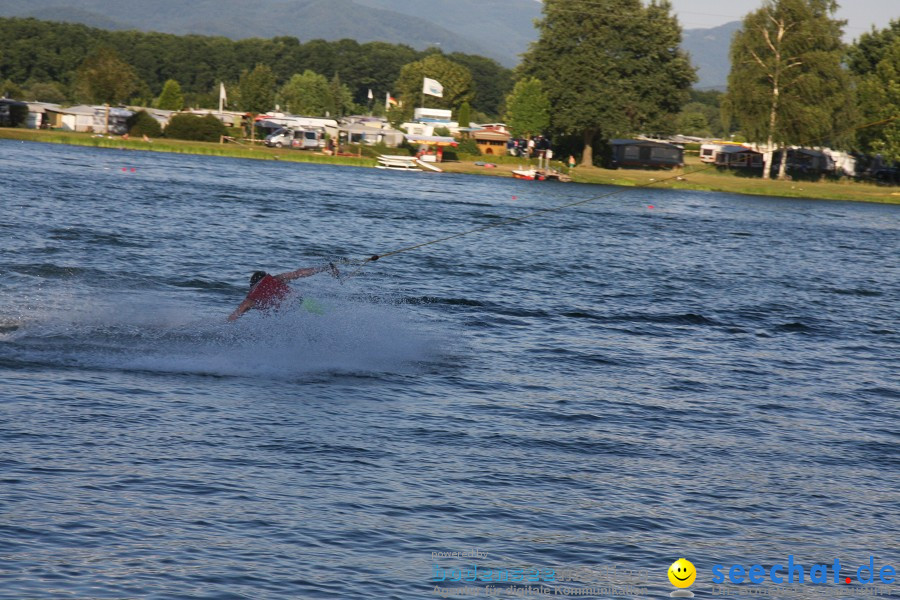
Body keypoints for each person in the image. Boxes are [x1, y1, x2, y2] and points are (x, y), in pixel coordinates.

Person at [227, 263, 339, 321]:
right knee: (334, 317)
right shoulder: (274, 279)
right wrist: (325, 268)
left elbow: (233, 318)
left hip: (293, 317)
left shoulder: (250, 300)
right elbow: (299, 273)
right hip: (305, 303)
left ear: (252, 284)